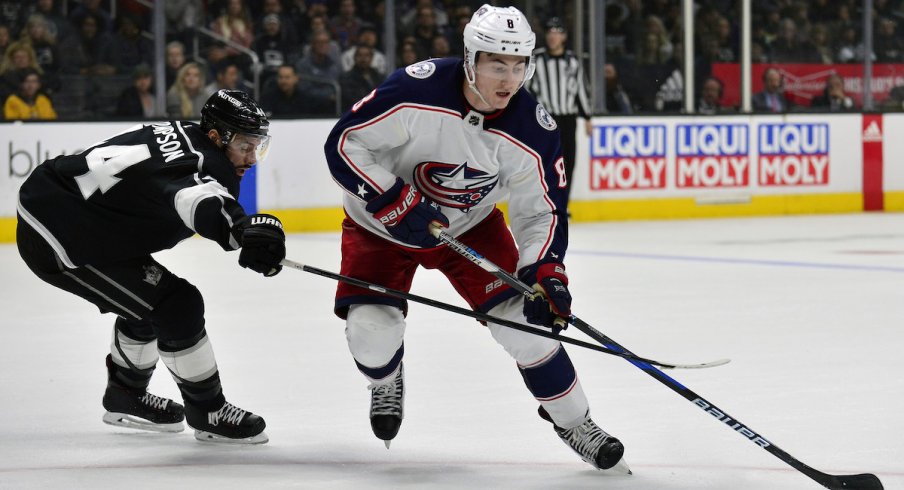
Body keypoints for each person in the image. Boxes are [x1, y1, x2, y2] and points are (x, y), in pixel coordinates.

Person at [323, 4, 628, 472]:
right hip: (378, 226)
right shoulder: (415, 88)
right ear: (470, 59)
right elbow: (344, 142)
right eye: (496, 64)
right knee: (370, 334)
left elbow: (541, 209)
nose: (509, 78)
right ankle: (385, 377)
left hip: (470, 227)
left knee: (527, 329)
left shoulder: (534, 129)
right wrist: (393, 199)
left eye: (519, 65)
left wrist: (545, 270)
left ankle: (575, 423)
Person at [16, 89, 285, 444]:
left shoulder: (185, 132)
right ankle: (208, 411)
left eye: (258, 146)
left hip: (64, 209)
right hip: (62, 237)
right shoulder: (205, 163)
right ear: (217, 137)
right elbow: (196, 195)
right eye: (246, 146)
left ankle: (126, 396)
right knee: (177, 306)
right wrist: (239, 229)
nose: (252, 158)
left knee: (147, 303)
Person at [525, 17, 592, 211]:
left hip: (568, 119)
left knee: (568, 162)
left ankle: (563, 204)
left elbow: (581, 90)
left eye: (557, 33)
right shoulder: (536, 59)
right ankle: (545, 201)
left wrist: (587, 118)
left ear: (564, 36)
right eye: (550, 33)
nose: (553, 37)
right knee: (546, 161)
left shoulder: (573, 61)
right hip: (545, 119)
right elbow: (527, 90)